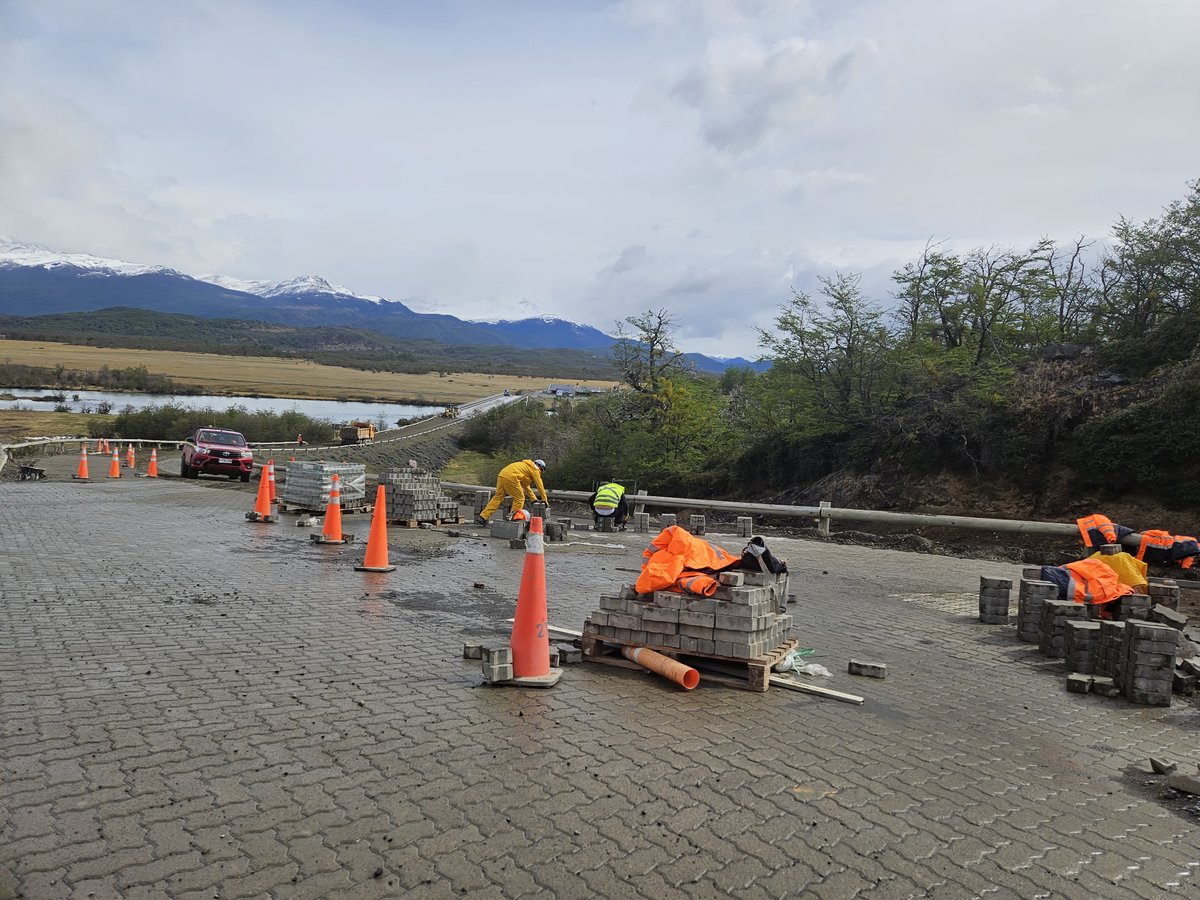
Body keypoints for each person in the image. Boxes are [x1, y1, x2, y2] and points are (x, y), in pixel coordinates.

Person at [476, 458, 548, 525]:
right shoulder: (535, 469)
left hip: (502, 475)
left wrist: (534, 499)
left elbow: (526, 486)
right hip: (512, 477)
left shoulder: (525, 466)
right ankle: (513, 518)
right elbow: (540, 486)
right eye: (541, 471)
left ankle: (483, 517)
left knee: (498, 497)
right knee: (519, 498)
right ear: (541, 468)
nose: (540, 473)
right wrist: (544, 500)